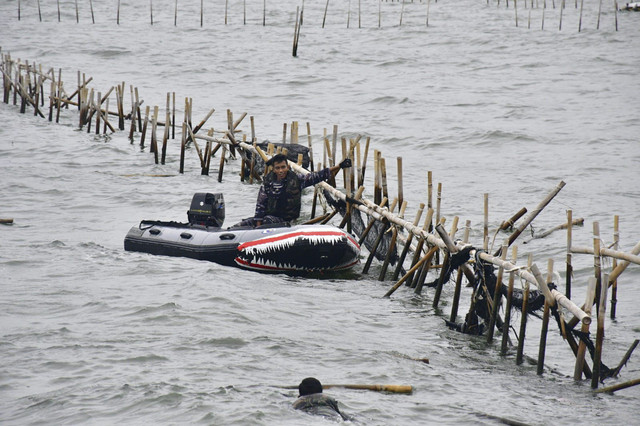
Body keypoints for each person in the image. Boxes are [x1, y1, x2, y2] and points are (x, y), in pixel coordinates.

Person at [236, 153, 352, 227]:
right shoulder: (268, 183)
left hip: (285, 221)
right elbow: (260, 205)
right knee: (242, 224)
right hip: (268, 217)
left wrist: (339, 166)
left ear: (288, 167)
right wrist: (258, 225)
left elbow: (316, 176)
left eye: (283, 167)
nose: (281, 171)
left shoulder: (297, 180)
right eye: (278, 168)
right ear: (274, 169)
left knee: (267, 220)